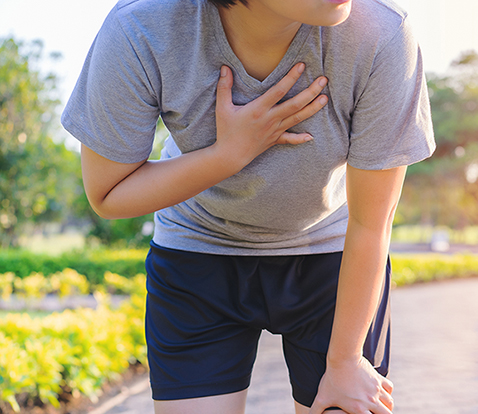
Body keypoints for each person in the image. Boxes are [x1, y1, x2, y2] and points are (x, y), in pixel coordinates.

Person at [61, 0, 435, 412]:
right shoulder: (141, 28)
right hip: (199, 255)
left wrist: (345, 360)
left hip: (335, 260)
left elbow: (372, 222)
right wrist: (229, 154)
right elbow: (107, 194)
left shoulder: (382, 33)